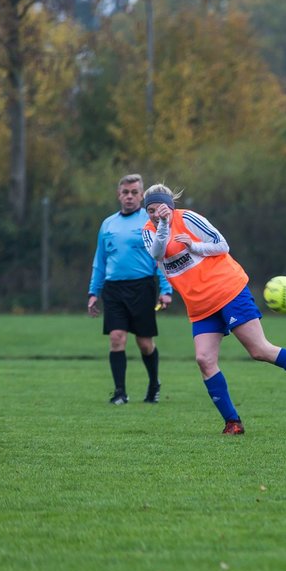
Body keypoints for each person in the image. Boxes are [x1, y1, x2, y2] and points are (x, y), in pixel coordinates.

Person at [140, 183, 286, 435]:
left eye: (161, 209)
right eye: (150, 211)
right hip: (200, 306)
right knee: (204, 360)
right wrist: (163, 226)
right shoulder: (149, 231)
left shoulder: (189, 218)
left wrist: (193, 246)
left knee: (259, 349)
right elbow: (157, 253)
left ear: (170, 206)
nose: (156, 214)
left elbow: (222, 245)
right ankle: (233, 423)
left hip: (228, 290)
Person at [88, 173, 174, 405]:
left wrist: (166, 290)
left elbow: (161, 259)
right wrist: (94, 292)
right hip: (114, 290)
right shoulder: (108, 224)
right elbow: (100, 260)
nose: (129, 197)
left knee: (145, 343)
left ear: (142, 196)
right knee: (116, 338)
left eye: (134, 192)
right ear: (119, 195)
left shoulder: (148, 222)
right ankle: (120, 393)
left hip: (142, 288)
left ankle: (154, 385)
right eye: (125, 192)